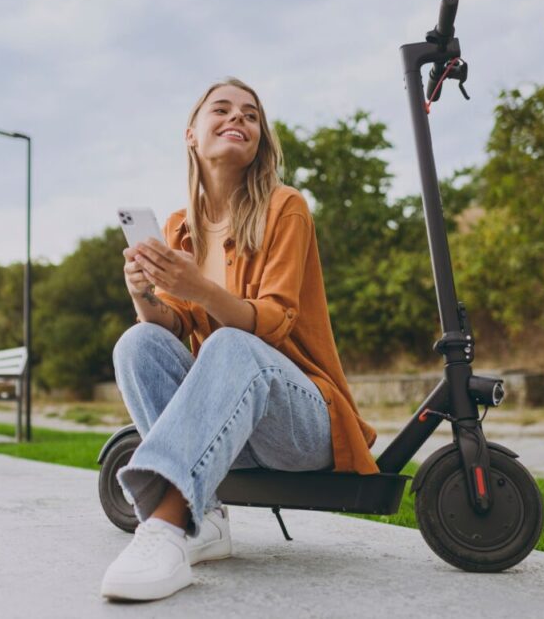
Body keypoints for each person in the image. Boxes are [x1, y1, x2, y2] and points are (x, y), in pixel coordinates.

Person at [101, 78, 379, 601]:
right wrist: (143, 295)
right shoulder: (181, 226)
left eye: (251, 115)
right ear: (192, 134)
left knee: (230, 344)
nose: (239, 119)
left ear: (260, 138)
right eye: (222, 110)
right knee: (136, 343)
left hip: (299, 423)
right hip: (229, 424)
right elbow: (176, 325)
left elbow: (273, 322)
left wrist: (200, 288)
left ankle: (165, 527)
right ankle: (204, 521)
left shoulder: (285, 207)